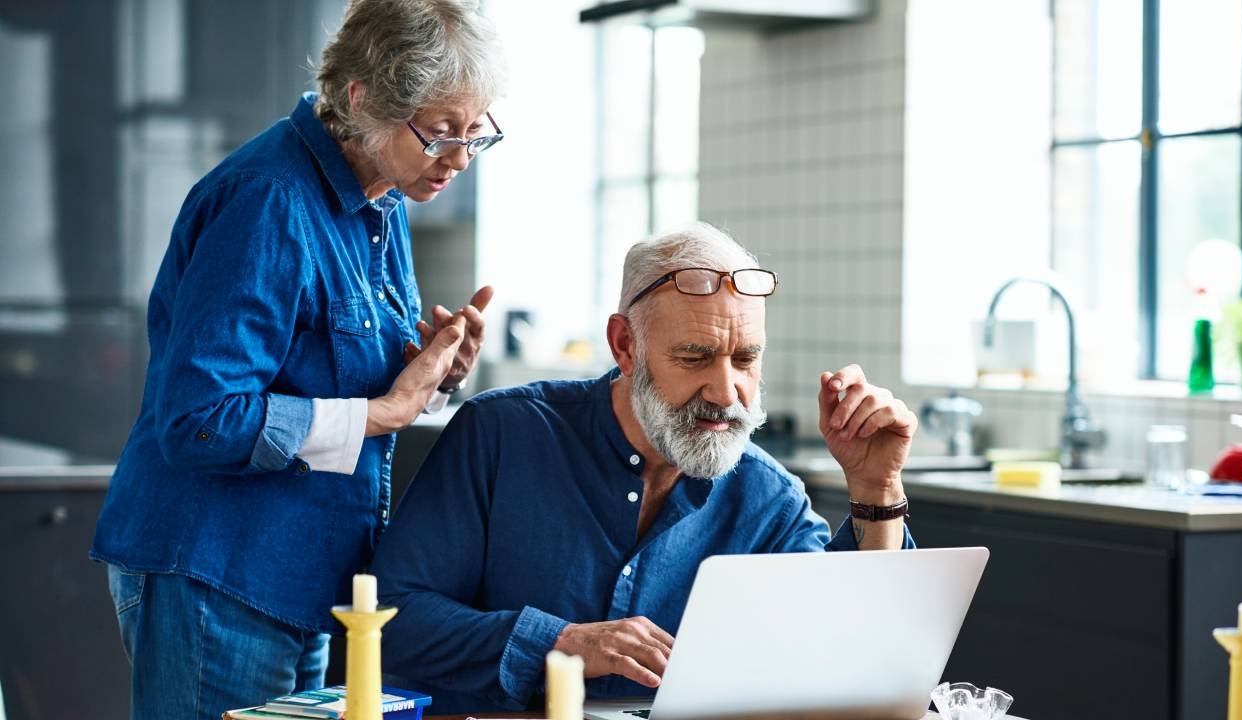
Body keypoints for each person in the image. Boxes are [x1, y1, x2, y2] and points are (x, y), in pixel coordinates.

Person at [89, 1, 507, 717]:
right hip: (217, 570)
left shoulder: (381, 199)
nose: (459, 159)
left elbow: (333, 376)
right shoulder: (268, 200)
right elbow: (199, 422)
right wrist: (381, 415)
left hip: (297, 574)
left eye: (477, 134)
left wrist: (430, 373)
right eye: (439, 134)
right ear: (361, 98)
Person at [370, 223, 919, 713]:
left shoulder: (768, 498)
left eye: (746, 358)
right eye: (694, 357)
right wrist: (561, 644)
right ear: (624, 345)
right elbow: (386, 620)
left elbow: (847, 653)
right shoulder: (501, 434)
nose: (725, 391)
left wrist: (877, 488)